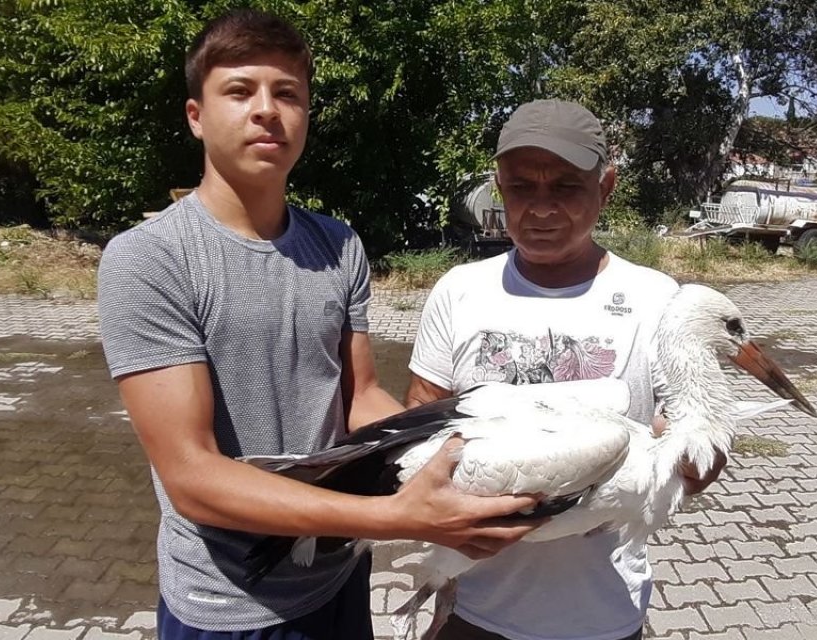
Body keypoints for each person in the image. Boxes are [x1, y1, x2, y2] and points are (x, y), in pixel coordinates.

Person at [96, 10, 541, 639]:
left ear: (306, 114)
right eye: (239, 90)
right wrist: (404, 517)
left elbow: (360, 400)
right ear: (196, 116)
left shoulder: (337, 244)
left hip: (336, 574)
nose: (266, 110)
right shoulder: (149, 260)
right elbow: (193, 476)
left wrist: (472, 457)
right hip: (228, 605)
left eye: (287, 94)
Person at [406, 99, 728, 640]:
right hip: (471, 609)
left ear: (605, 188)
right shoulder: (459, 290)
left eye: (566, 187)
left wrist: (697, 453)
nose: (541, 208)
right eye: (520, 187)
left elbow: (698, 456)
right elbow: (421, 415)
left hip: (603, 615)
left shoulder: (657, 299)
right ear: (498, 189)